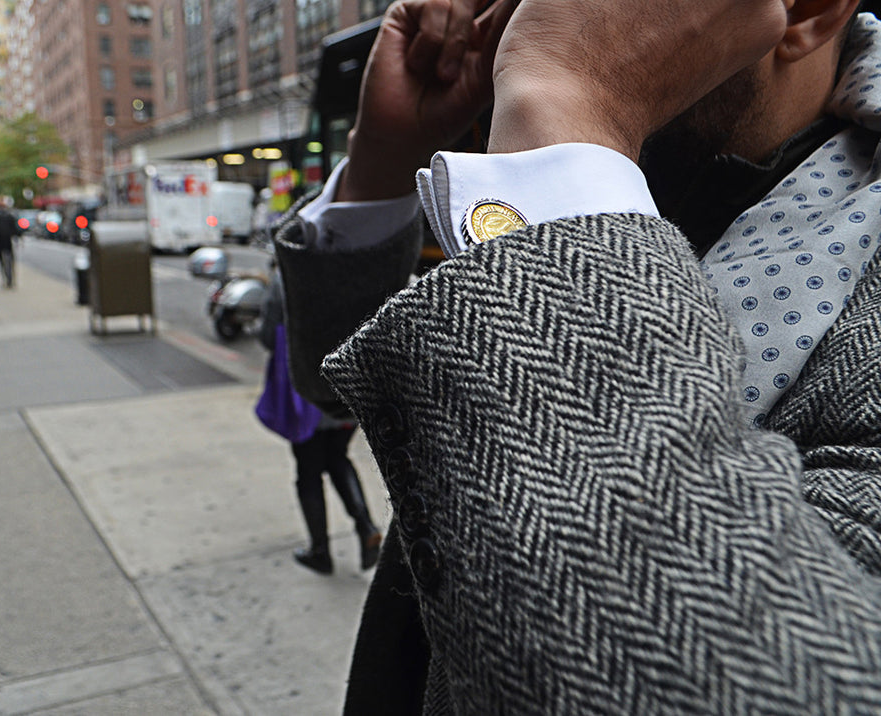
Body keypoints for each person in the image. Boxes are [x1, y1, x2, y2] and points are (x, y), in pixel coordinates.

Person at [273, 0, 881, 711]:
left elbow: (784, 681)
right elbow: (334, 384)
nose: (531, 20)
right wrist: (381, 159)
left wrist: (568, 108)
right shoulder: (622, 150)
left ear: (805, 11)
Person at [258, 272, 383, 574]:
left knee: (309, 471)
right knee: (337, 456)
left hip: (305, 396)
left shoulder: (287, 276)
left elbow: (267, 336)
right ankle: (366, 528)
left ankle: (320, 550)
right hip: (346, 390)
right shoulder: (359, 269)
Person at [0, 196, 21, 288]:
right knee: (9, 260)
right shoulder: (9, 216)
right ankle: (10, 278)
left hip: (0, 241)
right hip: (7, 241)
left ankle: (6, 278)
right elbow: (15, 230)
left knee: (2, 261)